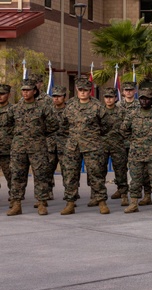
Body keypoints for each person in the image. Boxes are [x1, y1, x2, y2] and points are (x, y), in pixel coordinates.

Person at [7, 80, 58, 216]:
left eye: (28, 90)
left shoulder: (42, 107)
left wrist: (40, 133)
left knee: (41, 175)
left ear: (34, 91)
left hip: (38, 147)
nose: (25, 92)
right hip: (19, 147)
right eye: (23, 90)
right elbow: (9, 125)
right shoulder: (15, 108)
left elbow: (53, 124)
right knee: (17, 176)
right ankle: (16, 204)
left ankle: (41, 203)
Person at [60, 79, 110, 215]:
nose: (83, 92)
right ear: (77, 90)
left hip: (92, 146)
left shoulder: (97, 106)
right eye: (80, 90)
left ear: (90, 91)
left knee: (96, 174)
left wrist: (93, 136)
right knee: (71, 175)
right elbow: (63, 125)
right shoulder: (70, 106)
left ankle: (101, 202)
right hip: (73, 146)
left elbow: (106, 125)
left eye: (85, 90)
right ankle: (70, 203)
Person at [122, 87, 152, 213]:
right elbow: (123, 129)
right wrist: (133, 140)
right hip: (136, 152)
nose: (144, 101)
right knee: (135, 179)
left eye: (147, 99)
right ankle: (134, 203)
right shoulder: (132, 114)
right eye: (142, 99)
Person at [102, 87, 131, 206]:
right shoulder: (99, 111)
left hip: (118, 145)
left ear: (115, 98)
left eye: (111, 97)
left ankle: (123, 194)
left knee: (120, 171)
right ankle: (98, 196)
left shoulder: (122, 111)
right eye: (106, 97)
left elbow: (128, 128)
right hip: (102, 146)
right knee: (100, 171)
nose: (109, 100)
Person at [0, 84, 12, 202]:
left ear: (8, 95)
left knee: (11, 176)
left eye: (2, 94)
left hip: (7, 150)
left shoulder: (13, 110)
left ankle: (14, 198)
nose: (0, 96)